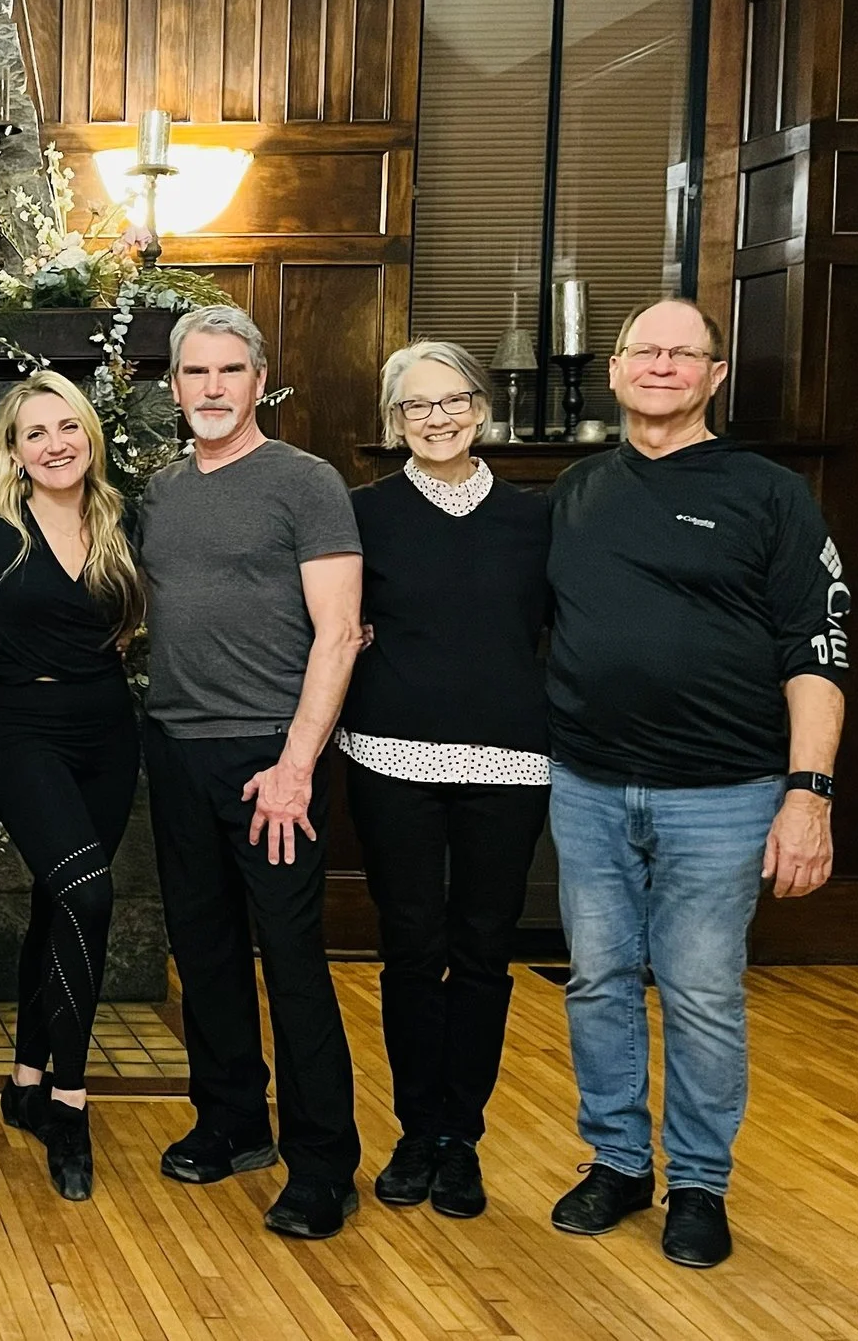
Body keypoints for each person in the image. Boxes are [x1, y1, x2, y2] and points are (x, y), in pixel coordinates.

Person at [543, 298, 847, 1269]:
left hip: (722, 795)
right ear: (617, 370)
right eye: (645, 350)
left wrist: (809, 792)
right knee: (595, 982)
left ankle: (699, 1183)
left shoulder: (769, 494)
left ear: (714, 376)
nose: (662, 365)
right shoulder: (580, 489)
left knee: (702, 991)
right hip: (587, 785)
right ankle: (620, 1163)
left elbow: (819, 647)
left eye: (685, 352)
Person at [136, 303, 367, 1240]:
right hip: (177, 749)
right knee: (205, 955)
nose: (213, 389)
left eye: (230, 372)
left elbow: (341, 631)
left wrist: (296, 764)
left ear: (259, 379)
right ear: (175, 386)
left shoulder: (305, 484)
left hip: (274, 757)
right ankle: (232, 1122)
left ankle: (324, 1164)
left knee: (296, 965)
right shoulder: (160, 490)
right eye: (196, 374)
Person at [335, 342, 551, 1219]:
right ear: (394, 423)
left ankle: (463, 1135)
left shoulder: (536, 519)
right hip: (392, 758)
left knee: (485, 951)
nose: (435, 417)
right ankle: (416, 1130)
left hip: (509, 758)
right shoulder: (363, 515)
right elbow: (338, 624)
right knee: (412, 948)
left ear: (480, 409)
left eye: (451, 400)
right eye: (414, 406)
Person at [0, 370, 143, 1202]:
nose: (55, 444)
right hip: (24, 734)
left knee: (58, 903)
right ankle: (70, 1105)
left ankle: (27, 1080)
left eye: (68, 427)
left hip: (110, 734)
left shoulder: (123, 518)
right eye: (36, 432)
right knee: (90, 896)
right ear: (14, 450)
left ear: (89, 436)